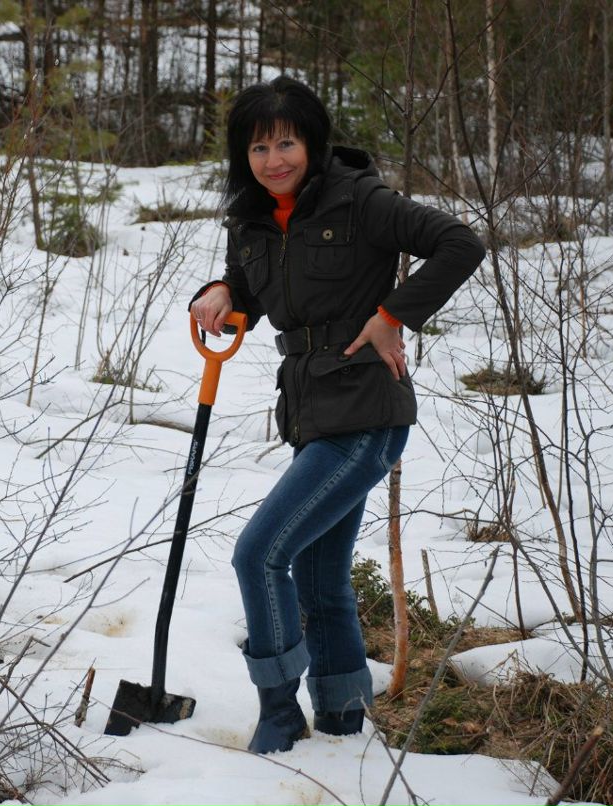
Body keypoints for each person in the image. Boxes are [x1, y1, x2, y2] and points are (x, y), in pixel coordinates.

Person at [189, 76, 485, 754]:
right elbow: (252, 287)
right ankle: (346, 722)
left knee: (259, 554)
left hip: (366, 411)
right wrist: (221, 289)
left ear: (314, 143)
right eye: (260, 147)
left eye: (287, 142)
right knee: (321, 579)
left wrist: (392, 317)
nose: (275, 159)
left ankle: (279, 713)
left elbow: (460, 243)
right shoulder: (255, 218)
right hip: (310, 413)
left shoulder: (360, 200)